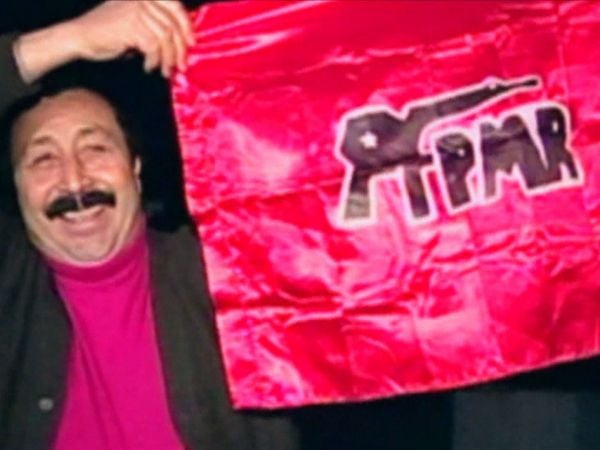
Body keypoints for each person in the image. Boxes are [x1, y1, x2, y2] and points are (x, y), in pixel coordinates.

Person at [0, 2, 299, 449]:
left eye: (96, 148)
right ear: (17, 187)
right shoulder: (9, 289)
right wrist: (73, 38)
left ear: (135, 169)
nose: (75, 180)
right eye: (43, 158)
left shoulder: (224, 274)